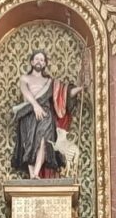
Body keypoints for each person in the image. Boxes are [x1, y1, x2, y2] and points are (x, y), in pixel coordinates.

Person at [11, 48, 85, 179]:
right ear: (32, 62)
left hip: (45, 114)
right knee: (29, 143)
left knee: (43, 141)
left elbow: (64, 93)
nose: (39, 61)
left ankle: (36, 173)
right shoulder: (25, 78)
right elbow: (25, 92)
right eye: (37, 59)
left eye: (42, 60)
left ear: (45, 64)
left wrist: (80, 89)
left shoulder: (49, 82)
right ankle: (32, 174)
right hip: (28, 112)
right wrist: (35, 106)